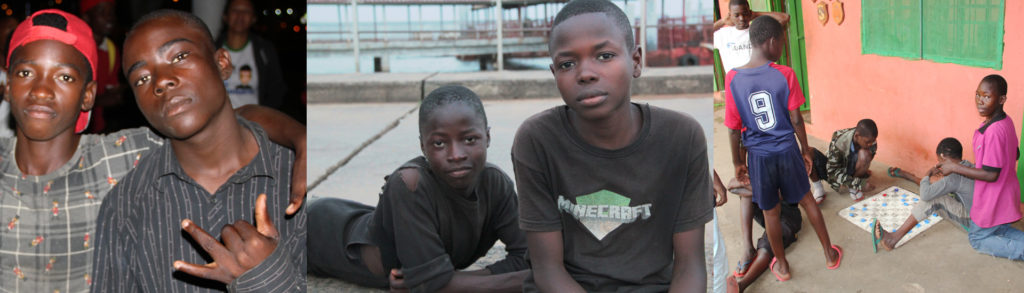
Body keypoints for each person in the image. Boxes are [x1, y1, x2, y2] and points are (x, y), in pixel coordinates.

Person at [0, 9, 304, 292]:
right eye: (26, 73)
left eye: (64, 76)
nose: (41, 90)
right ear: (7, 85)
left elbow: (221, 123)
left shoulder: (119, 155)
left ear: (88, 95)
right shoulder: (126, 187)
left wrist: (301, 139)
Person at [91, 9, 305, 291]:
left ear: (222, 63)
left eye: (179, 57)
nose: (161, 81)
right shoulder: (126, 206)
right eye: (141, 78)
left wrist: (266, 277)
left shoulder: (297, 180)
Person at [512, 0, 713, 291]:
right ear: (554, 73)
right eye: (567, 64)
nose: (585, 73)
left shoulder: (682, 137)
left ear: (636, 61)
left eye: (604, 56)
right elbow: (547, 269)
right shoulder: (537, 140)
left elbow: (690, 265)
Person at [307, 85, 530, 292]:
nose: (456, 155)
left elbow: (528, 257)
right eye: (440, 143)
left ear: (488, 137)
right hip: (314, 231)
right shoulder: (409, 183)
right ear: (423, 145)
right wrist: (529, 280)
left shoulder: (495, 183)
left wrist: (451, 279)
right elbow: (432, 286)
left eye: (470, 139)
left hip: (360, 218)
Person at [724, 15, 841, 281]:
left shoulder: (732, 79)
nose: (784, 47)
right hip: (787, 151)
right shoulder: (784, 73)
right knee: (807, 200)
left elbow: (733, 129)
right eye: (783, 42)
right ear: (771, 41)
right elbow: (797, 118)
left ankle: (784, 267)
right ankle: (830, 255)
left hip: (758, 157)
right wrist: (806, 149)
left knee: (771, 213)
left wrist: (737, 163)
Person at [937, 74, 1024, 261]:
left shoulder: (993, 131)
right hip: (1005, 192)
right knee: (1000, 229)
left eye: (987, 96)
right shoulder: (1005, 122)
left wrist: (954, 166)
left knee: (977, 238)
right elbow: (1014, 153)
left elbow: (991, 174)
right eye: (978, 95)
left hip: (994, 196)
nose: (980, 101)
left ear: (1001, 99)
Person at [877, 137, 973, 251]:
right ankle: (909, 176)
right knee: (935, 187)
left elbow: (925, 194)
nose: (939, 165)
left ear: (943, 157)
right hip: (979, 212)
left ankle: (892, 239)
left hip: (972, 220)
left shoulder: (953, 178)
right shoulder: (968, 165)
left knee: (931, 199)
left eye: (940, 162)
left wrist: (928, 174)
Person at [723, 180, 802, 293]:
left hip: (788, 216)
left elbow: (780, 195)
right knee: (746, 195)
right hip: (767, 210)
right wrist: (753, 189)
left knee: (766, 247)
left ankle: (741, 286)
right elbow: (731, 185)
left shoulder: (783, 165)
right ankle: (748, 248)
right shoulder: (757, 165)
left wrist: (753, 189)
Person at [217, 0, 286, 109]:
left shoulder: (264, 50)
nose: (240, 15)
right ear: (225, 16)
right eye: (235, 10)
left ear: (254, 18)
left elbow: (276, 89)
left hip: (252, 122)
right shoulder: (212, 48)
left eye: (246, 11)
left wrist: (263, 116)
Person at [809, 119, 878, 202]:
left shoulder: (871, 140)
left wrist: (861, 170)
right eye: (867, 142)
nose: (870, 144)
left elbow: (868, 158)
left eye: (872, 141)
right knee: (809, 153)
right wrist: (859, 184)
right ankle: (819, 188)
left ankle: (852, 187)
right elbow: (832, 172)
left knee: (865, 155)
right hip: (834, 169)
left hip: (850, 168)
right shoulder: (839, 141)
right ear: (856, 136)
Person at [713, 0, 789, 74]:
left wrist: (756, 14)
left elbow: (784, 18)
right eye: (736, 15)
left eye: (745, 13)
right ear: (730, 15)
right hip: (735, 83)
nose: (741, 18)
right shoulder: (723, 35)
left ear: (749, 13)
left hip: (760, 80)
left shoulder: (759, 30)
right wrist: (722, 21)